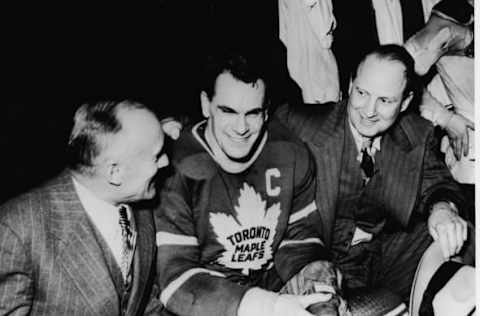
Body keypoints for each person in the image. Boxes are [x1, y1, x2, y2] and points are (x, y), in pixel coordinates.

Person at [275, 44, 474, 311]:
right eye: (361, 93)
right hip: (315, 263)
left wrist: (442, 209)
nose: (369, 110)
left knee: (458, 232)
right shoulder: (299, 125)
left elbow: (439, 182)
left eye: (385, 100)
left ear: (405, 102)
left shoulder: (416, 133)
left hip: (379, 262)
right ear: (350, 84)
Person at [155, 52, 345, 316]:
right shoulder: (175, 166)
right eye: (228, 111)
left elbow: (299, 240)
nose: (241, 127)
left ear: (266, 112)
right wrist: (264, 306)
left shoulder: (291, 154)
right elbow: (175, 277)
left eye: (253, 113)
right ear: (205, 104)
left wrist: (316, 281)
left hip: (274, 291)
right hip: (208, 301)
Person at [0, 99, 169, 315]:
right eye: (156, 156)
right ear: (114, 172)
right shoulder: (18, 228)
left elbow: (145, 305)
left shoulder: (141, 211)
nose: (166, 162)